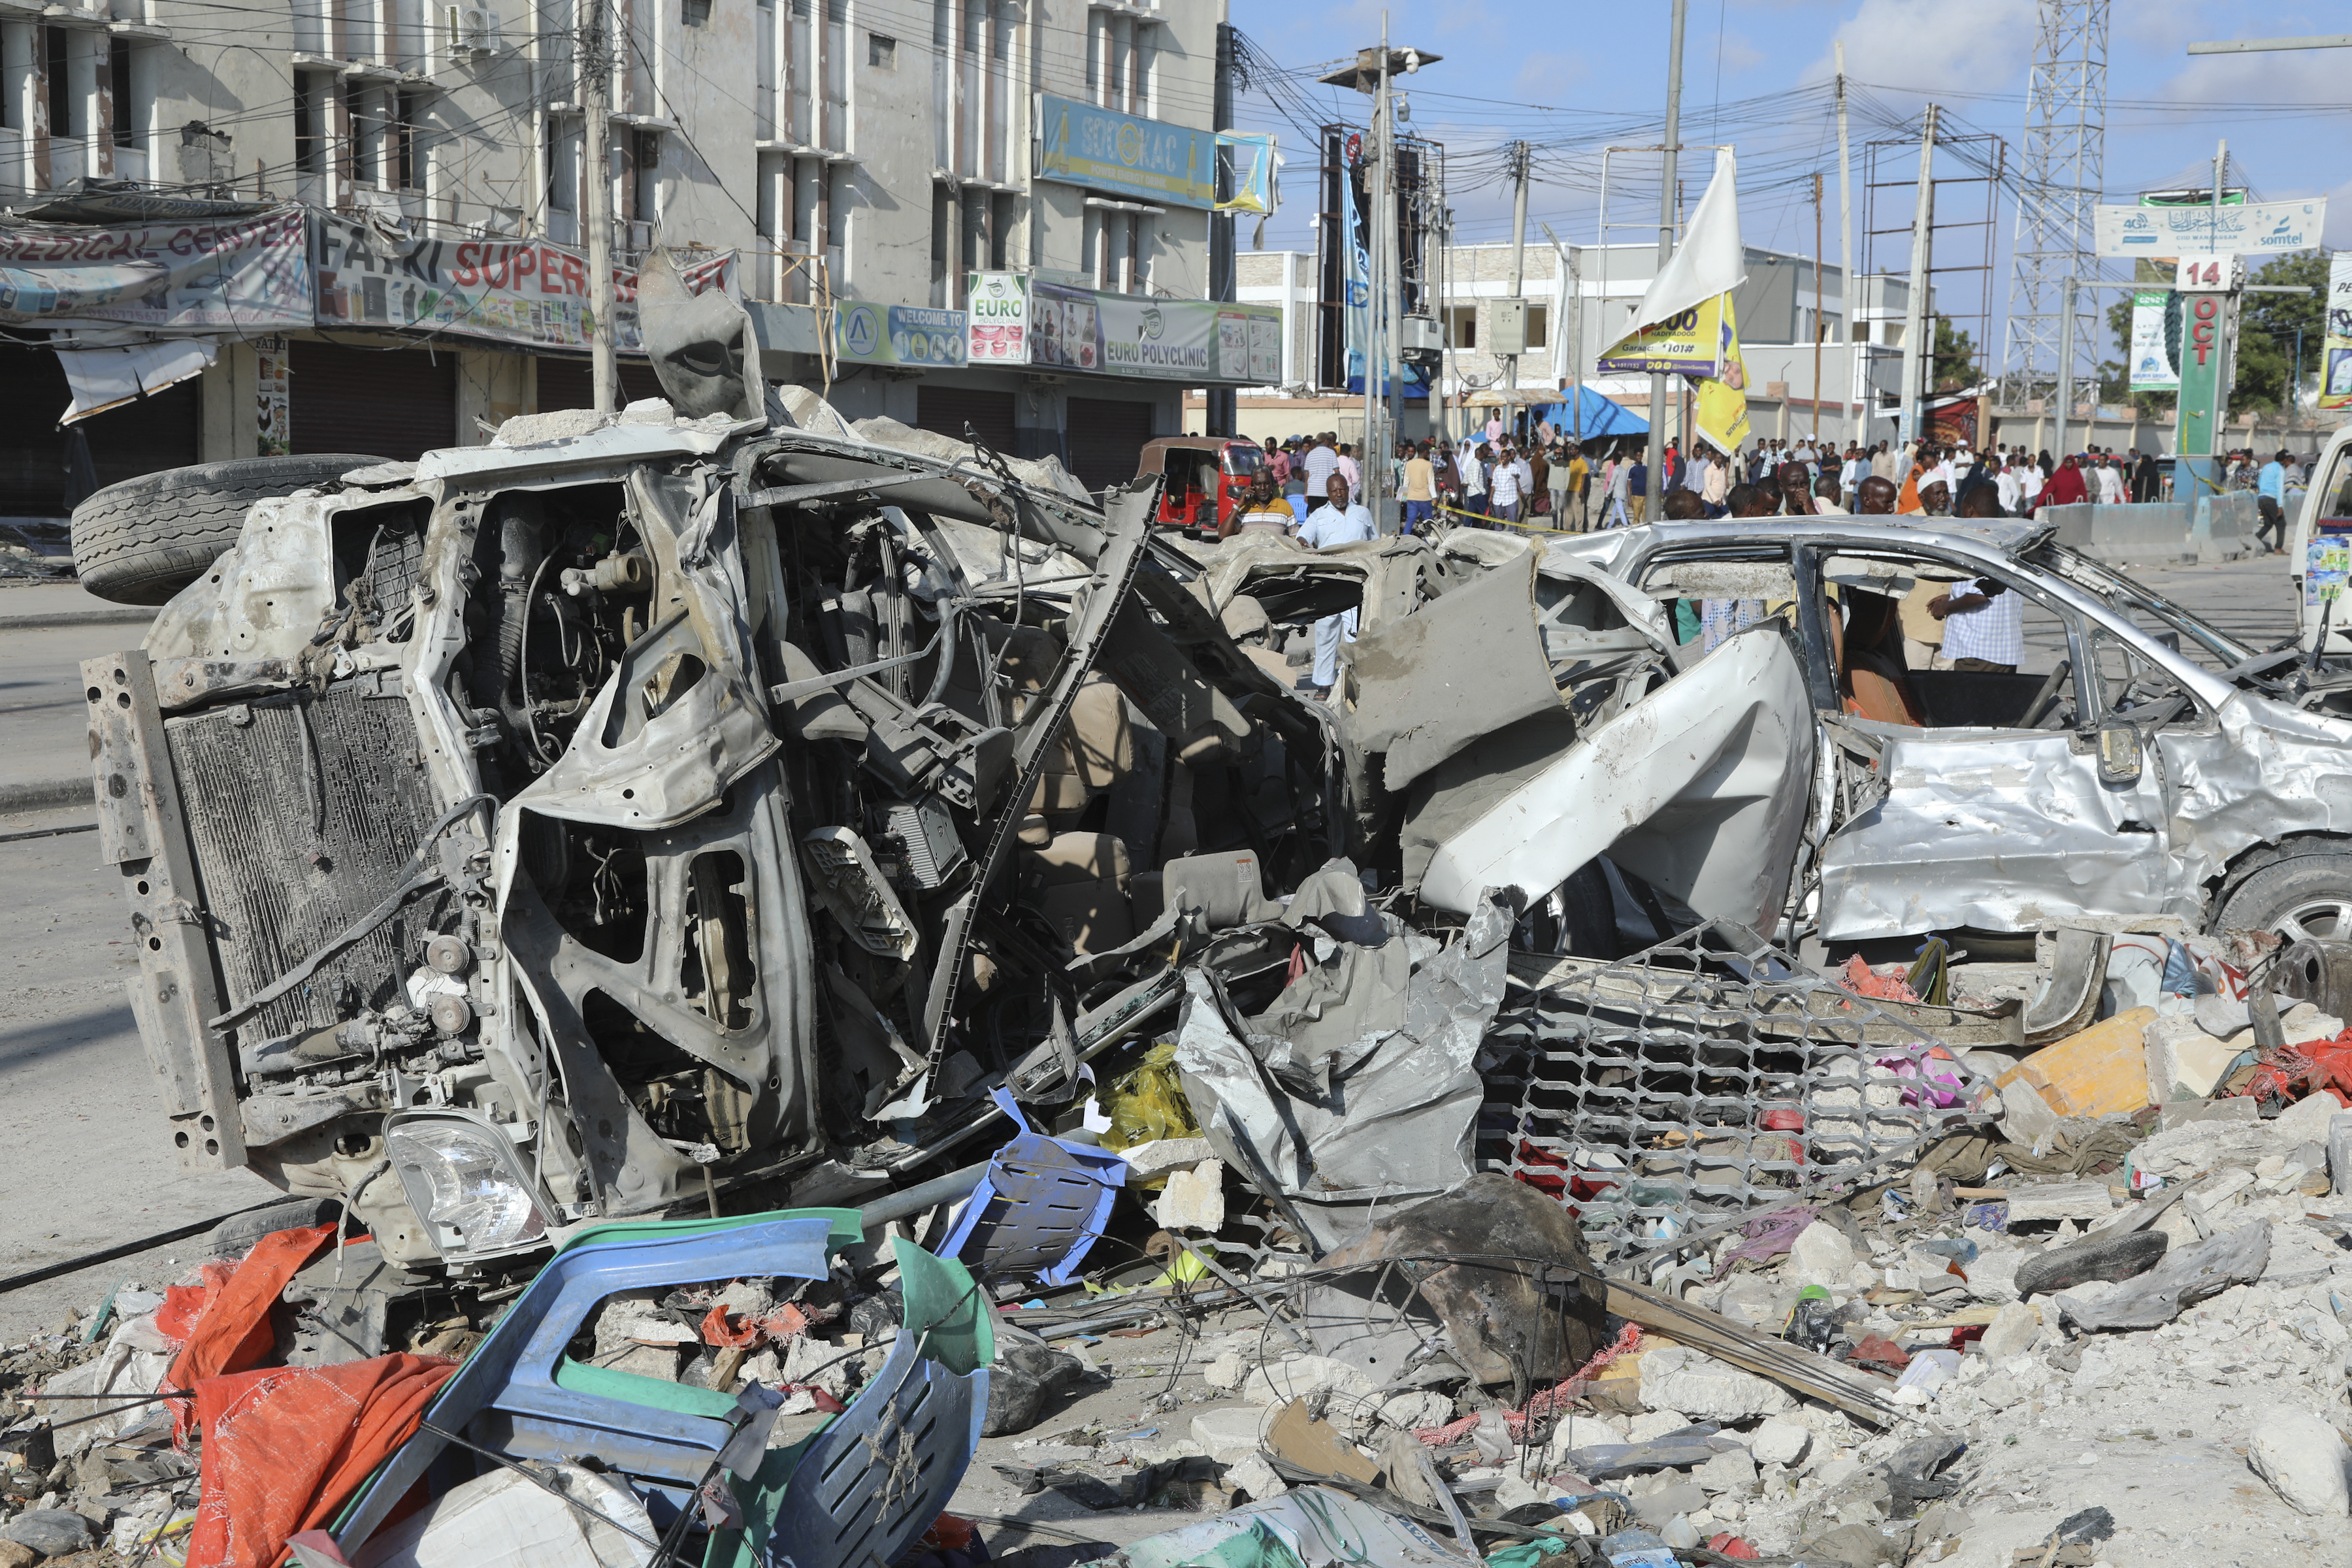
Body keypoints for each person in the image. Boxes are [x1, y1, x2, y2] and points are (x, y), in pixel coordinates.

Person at [1296, 474, 1379, 697]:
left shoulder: (1363, 513)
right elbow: (1303, 537)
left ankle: (1357, 683)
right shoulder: (1319, 515)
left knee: (1356, 637)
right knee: (1326, 634)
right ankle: (1324, 685)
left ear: (1347, 489)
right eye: (1334, 491)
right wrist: (1302, 543)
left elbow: (1375, 541)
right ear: (1328, 493)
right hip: (1327, 583)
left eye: (1342, 489)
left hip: (1355, 583)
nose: (1339, 494)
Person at [1931, 572, 2023, 674]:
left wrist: (1944, 607)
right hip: (1998, 648)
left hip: (1979, 651)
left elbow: (1979, 596)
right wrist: (1953, 597)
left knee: (1972, 688)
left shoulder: (1986, 556)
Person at [2258, 449, 2291, 552]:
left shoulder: (2266, 467)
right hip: (2272, 498)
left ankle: (2255, 539)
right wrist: (2280, 505)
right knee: (2281, 524)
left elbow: (2259, 482)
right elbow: (2280, 488)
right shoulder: (2280, 470)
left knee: (2268, 523)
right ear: (2285, 460)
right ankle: (2278, 548)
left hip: (2261, 498)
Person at [1400, 442, 1435, 534]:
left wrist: (1403, 496)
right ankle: (1429, 541)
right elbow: (1431, 483)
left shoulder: (1409, 464)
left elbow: (1406, 482)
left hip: (1412, 497)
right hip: (1425, 498)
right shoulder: (1428, 465)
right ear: (1425, 452)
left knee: (1410, 520)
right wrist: (1435, 497)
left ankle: (1405, 539)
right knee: (1428, 521)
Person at [1488, 439, 1524, 523]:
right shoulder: (1497, 469)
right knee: (1498, 523)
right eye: (1502, 457)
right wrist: (1491, 496)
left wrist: (1516, 476)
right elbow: (1494, 484)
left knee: (1512, 522)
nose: (1503, 458)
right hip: (1498, 499)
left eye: (1504, 457)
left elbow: (1518, 474)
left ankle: (1513, 535)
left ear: (1509, 457)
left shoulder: (1514, 467)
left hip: (1510, 499)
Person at [1301, 433, 1339, 512]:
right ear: (1326, 441)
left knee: (1314, 516)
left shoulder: (1310, 454)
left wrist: (1306, 492)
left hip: (1312, 491)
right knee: (1327, 515)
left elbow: (1307, 475)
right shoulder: (1331, 453)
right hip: (1326, 491)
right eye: (1329, 440)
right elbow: (1337, 472)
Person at [1627, 451, 1648, 525]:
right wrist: (1629, 499)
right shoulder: (1632, 469)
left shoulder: (1646, 468)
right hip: (1636, 497)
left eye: (1640, 456)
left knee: (1646, 518)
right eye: (1637, 456)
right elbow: (1629, 484)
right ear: (1635, 456)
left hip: (1646, 496)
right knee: (1636, 518)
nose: (1639, 457)